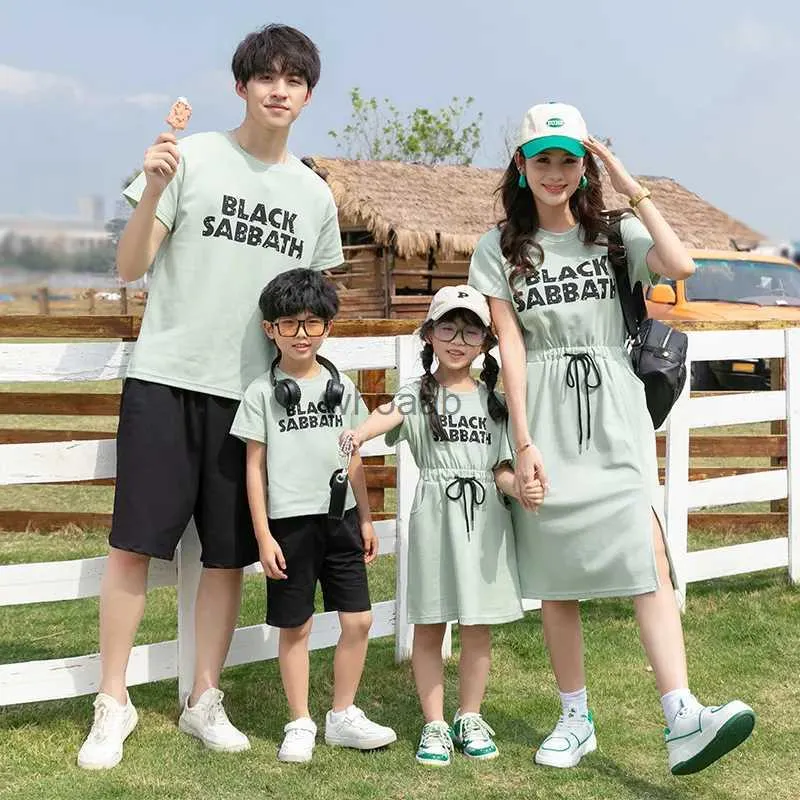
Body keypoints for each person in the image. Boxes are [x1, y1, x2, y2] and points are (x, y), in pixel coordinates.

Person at [78, 25, 345, 769]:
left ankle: (203, 699)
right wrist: (153, 187)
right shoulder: (190, 157)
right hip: (166, 378)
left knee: (226, 558)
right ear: (242, 86)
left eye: (294, 80)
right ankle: (112, 701)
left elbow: (315, 306)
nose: (279, 90)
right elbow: (130, 266)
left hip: (250, 399)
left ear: (308, 95)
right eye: (266, 77)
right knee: (133, 547)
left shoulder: (313, 196)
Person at [468, 102, 755, 775]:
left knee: (645, 549)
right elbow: (510, 346)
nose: (556, 172)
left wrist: (631, 185)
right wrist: (524, 442)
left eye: (569, 160)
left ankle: (681, 713)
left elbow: (680, 264)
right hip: (543, 409)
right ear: (522, 166)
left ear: (585, 166)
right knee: (555, 568)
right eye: (543, 159)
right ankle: (575, 718)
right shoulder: (498, 247)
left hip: (615, 409)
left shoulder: (616, 233)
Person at [340, 285, 544, 766]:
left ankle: (469, 715)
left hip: (485, 526)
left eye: (470, 332)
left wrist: (521, 488)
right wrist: (358, 434)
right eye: (447, 329)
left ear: (485, 342)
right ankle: (433, 723)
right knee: (430, 625)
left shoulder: (495, 403)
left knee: (477, 627)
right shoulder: (417, 395)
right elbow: (385, 415)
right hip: (434, 519)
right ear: (429, 335)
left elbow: (500, 470)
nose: (458, 341)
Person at [231, 268, 396, 763]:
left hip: (340, 518)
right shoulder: (262, 393)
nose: (301, 334)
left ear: (328, 327)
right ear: (270, 330)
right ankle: (299, 721)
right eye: (289, 323)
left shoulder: (341, 388)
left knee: (360, 620)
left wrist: (365, 518)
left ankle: (342, 714)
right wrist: (263, 535)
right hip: (289, 525)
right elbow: (254, 468)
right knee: (296, 626)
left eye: (312, 323)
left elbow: (354, 454)